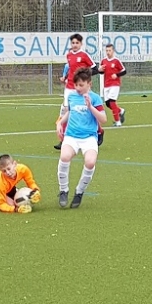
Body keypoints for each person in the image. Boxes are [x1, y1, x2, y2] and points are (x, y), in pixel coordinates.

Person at [55, 67, 107, 208]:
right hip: (71, 135)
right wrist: (60, 122)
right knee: (64, 156)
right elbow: (69, 112)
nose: (78, 88)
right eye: (76, 85)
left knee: (90, 162)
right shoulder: (72, 97)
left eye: (81, 85)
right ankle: (63, 190)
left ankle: (79, 192)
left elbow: (103, 119)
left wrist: (90, 107)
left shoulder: (95, 98)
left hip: (89, 137)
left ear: (89, 84)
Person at [54, 34, 101, 150]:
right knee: (67, 111)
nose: (75, 45)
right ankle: (63, 139)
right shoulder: (69, 55)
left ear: (81, 44)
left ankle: (99, 131)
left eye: (77, 43)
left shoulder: (84, 55)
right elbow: (71, 69)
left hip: (81, 87)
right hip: (69, 87)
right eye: (73, 43)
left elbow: (95, 69)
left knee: (86, 110)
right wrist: (65, 78)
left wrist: (83, 78)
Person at [98, 43, 127, 127]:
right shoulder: (103, 61)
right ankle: (120, 111)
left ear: (113, 51)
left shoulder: (116, 61)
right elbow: (101, 72)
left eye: (109, 50)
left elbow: (124, 71)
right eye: (107, 50)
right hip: (106, 85)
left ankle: (118, 122)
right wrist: (100, 70)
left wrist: (116, 75)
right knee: (108, 104)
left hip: (115, 84)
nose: (108, 52)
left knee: (112, 102)